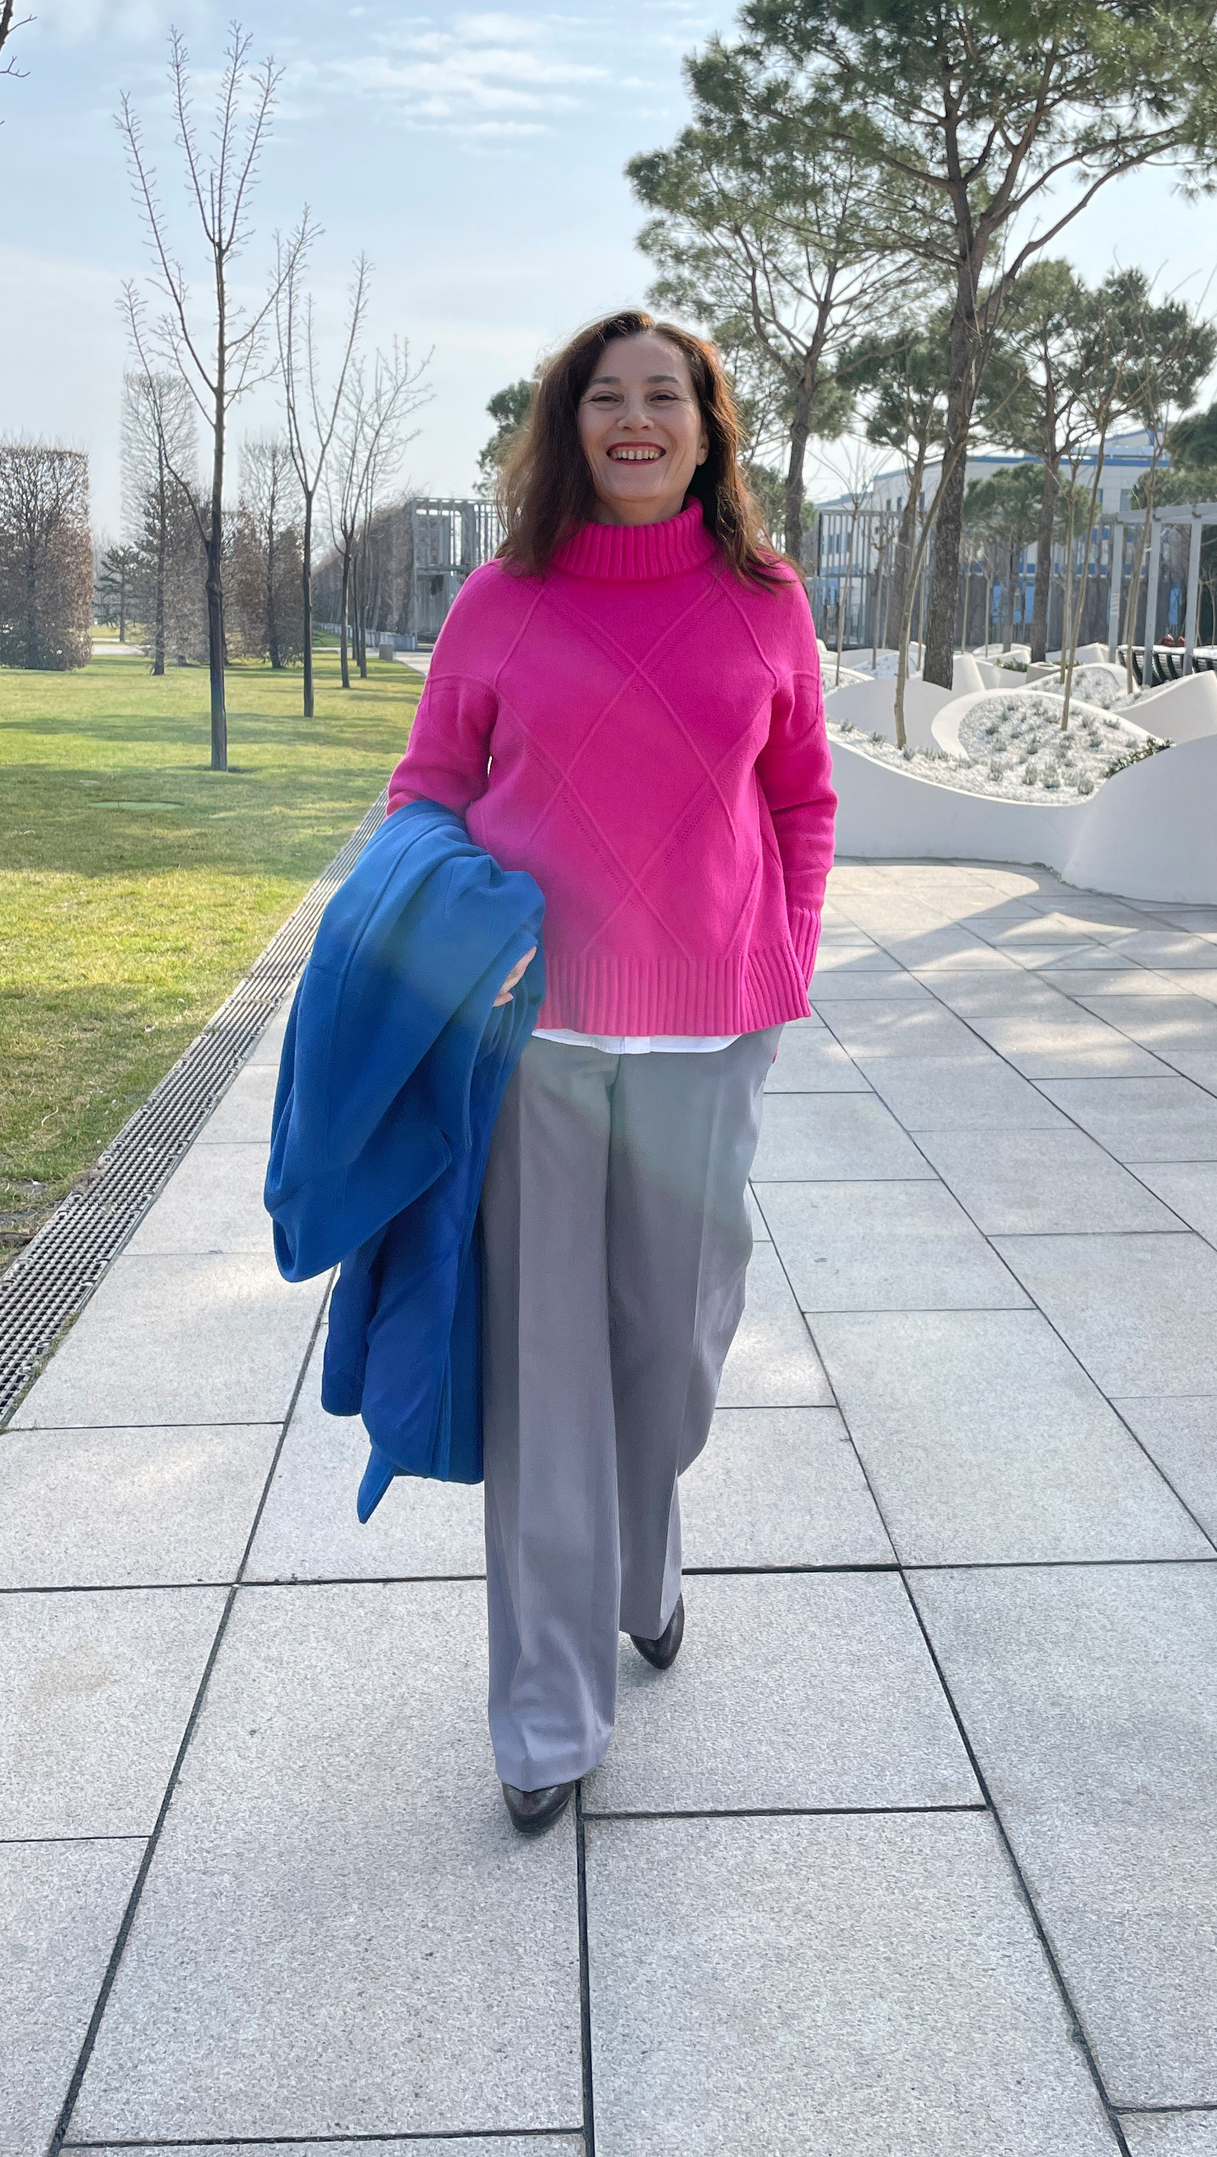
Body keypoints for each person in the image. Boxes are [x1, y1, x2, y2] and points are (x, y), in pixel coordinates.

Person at [387, 308, 836, 1832]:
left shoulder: (767, 601)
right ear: (568, 428)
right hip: (536, 1038)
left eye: (665, 397)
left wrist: (786, 950)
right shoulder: (503, 598)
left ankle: (645, 1560)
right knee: (547, 1380)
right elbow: (428, 786)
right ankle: (546, 1715)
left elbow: (803, 798)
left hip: (710, 1034)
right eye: (605, 398)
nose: (635, 420)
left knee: (673, 1353)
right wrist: (445, 937)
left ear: (708, 432)